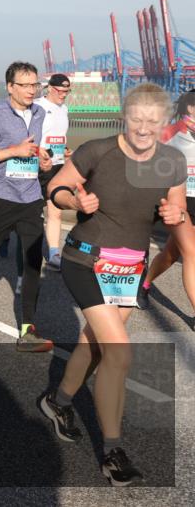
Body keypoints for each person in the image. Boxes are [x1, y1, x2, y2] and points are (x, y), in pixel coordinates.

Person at [38, 83, 186, 486]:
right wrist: (74, 202)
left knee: (94, 343)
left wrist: (175, 214)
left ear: (164, 122)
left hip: (129, 268)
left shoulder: (171, 161)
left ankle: (57, 401)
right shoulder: (98, 151)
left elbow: (177, 209)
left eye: (152, 121)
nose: (144, 128)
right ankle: (112, 452)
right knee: (119, 353)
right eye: (137, 119)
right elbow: (56, 188)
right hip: (86, 260)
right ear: (125, 116)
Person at [0, 61, 54, 351]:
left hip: (30, 197)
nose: (32, 90)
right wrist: (14, 150)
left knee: (33, 262)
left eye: (35, 84)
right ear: (10, 87)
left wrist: (42, 159)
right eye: (25, 85)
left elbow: (33, 150)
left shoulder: (40, 113)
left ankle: (28, 329)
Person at [139, 89, 195, 322]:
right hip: (178, 202)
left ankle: (144, 284)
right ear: (188, 108)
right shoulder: (170, 133)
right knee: (191, 253)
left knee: (172, 253)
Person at [36, 73, 73, 270]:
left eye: (67, 91)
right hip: (36, 165)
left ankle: (53, 255)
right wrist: (38, 152)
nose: (63, 95)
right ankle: (6, 237)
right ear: (50, 88)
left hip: (57, 165)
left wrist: (65, 150)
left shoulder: (64, 109)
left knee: (55, 211)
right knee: (29, 212)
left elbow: (59, 136)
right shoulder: (38, 106)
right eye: (60, 90)